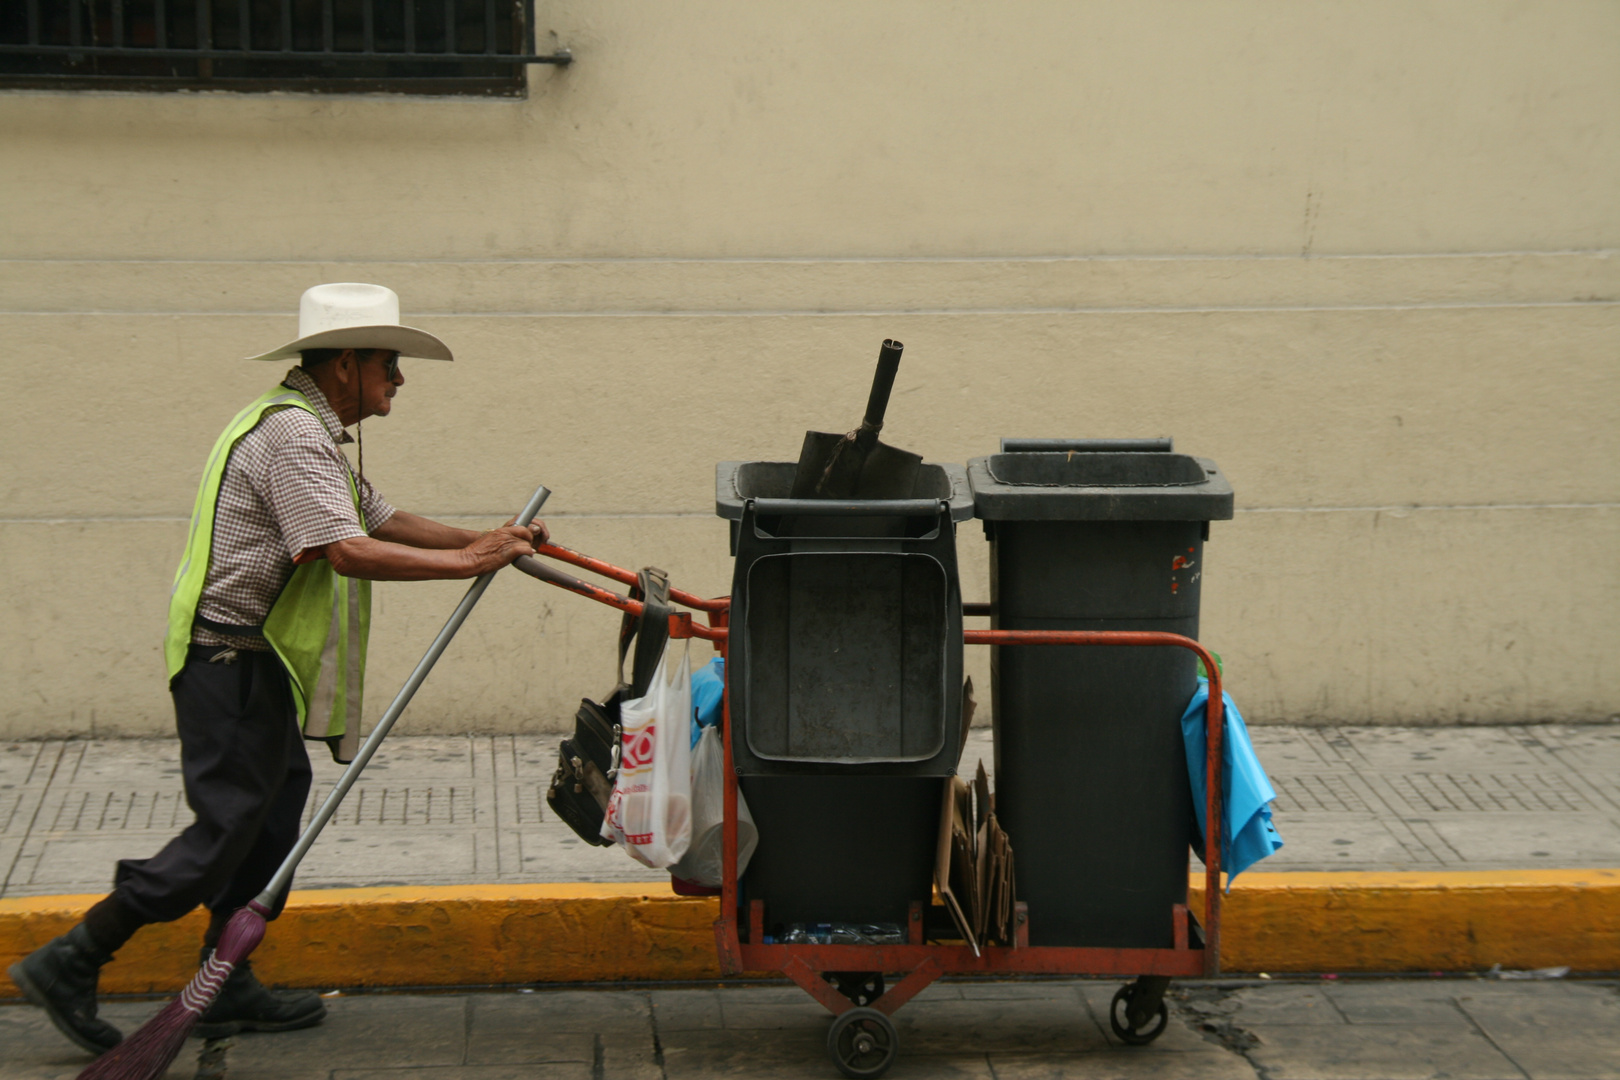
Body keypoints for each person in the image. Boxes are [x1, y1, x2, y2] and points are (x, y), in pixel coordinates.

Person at [7, 283, 548, 1055]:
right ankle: (74, 956)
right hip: (223, 660)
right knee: (228, 828)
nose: (399, 380)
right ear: (346, 364)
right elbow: (343, 549)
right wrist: (469, 560)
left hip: (252, 664)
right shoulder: (293, 436)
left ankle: (226, 984)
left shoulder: (308, 430)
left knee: (274, 817)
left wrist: (491, 537)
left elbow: (379, 518)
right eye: (389, 364)